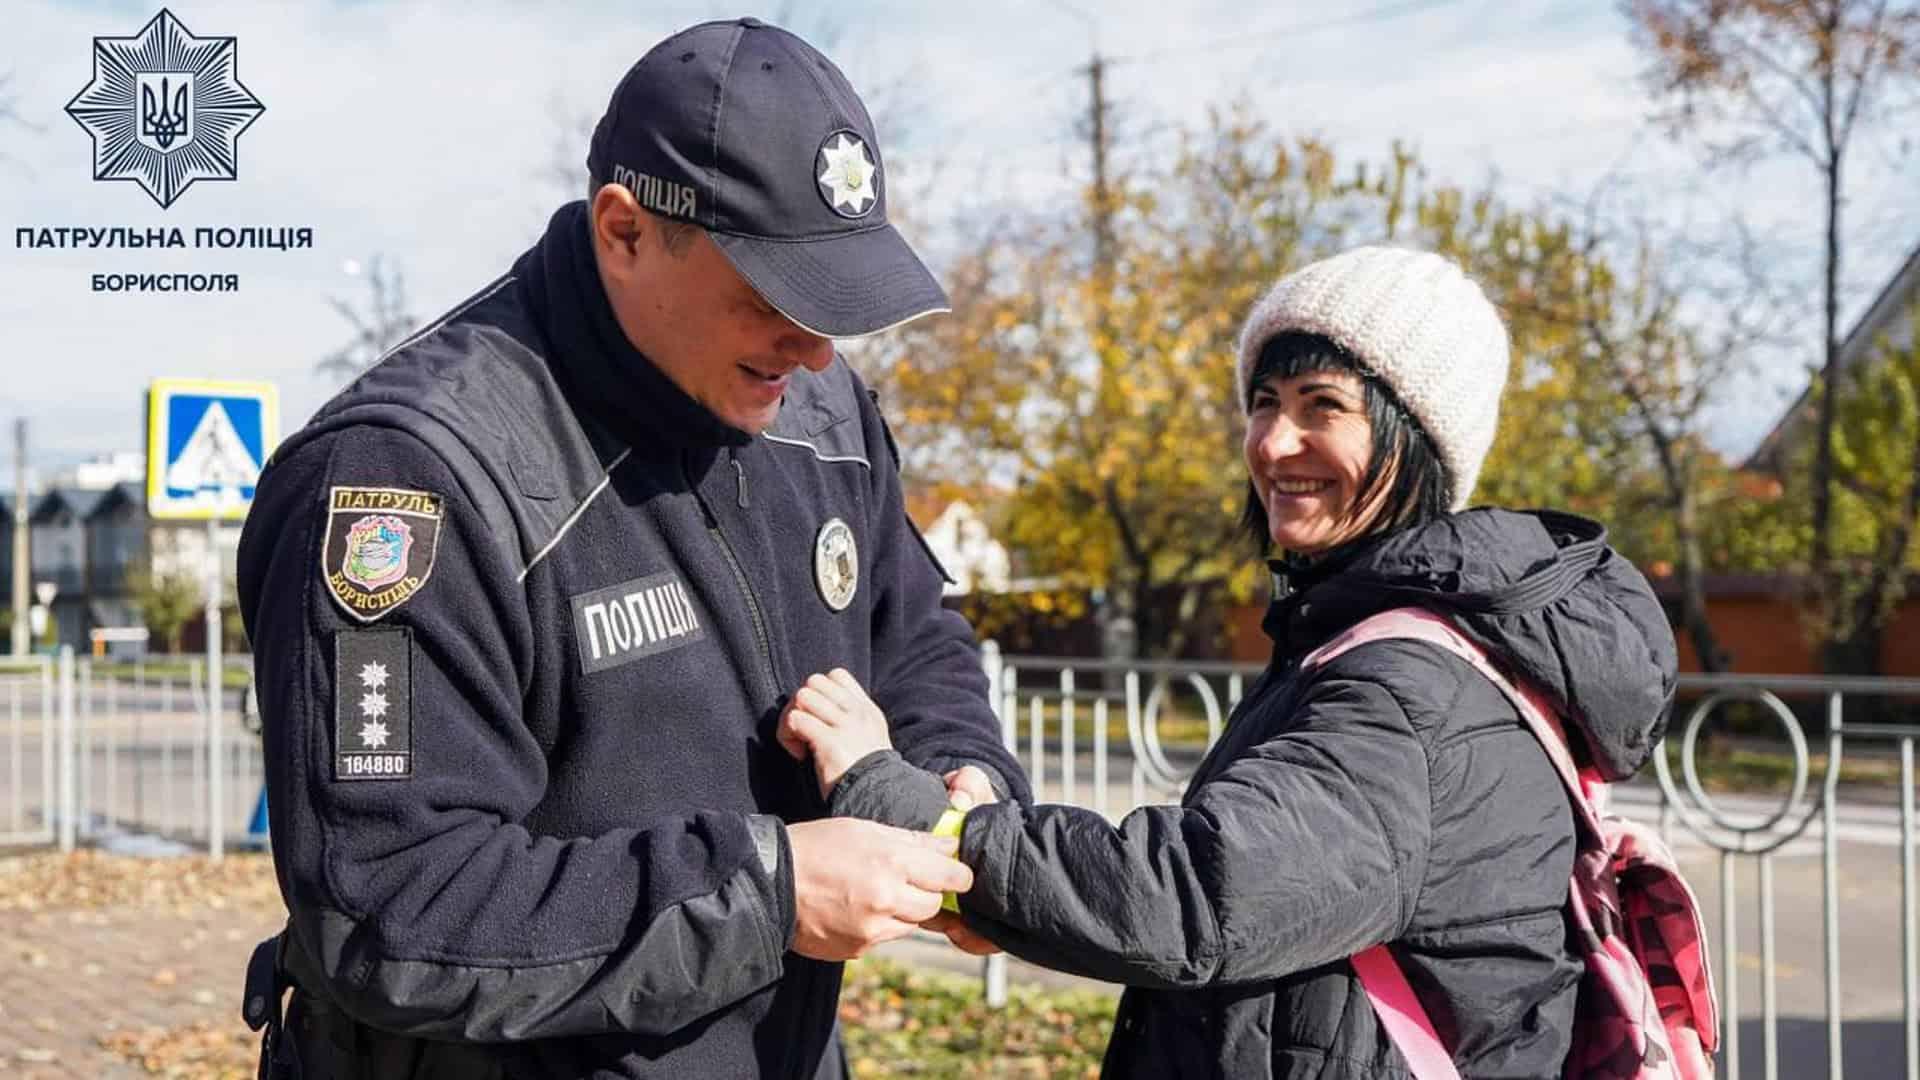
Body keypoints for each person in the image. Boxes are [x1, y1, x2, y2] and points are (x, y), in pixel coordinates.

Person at [235, 17, 1028, 1079]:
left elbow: (916, 638)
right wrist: (772, 891)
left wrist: (962, 791)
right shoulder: (413, 478)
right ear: (624, 231)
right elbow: (391, 901)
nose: (818, 347)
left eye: (835, 302)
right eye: (777, 297)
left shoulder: (821, 411)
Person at [783, 246, 1681, 1077]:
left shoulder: (1413, 692)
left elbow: (1191, 897)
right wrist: (988, 883)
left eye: (1322, 406)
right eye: (1264, 403)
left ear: (1420, 440)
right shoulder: (1379, 637)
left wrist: (889, 793)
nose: (1273, 444)